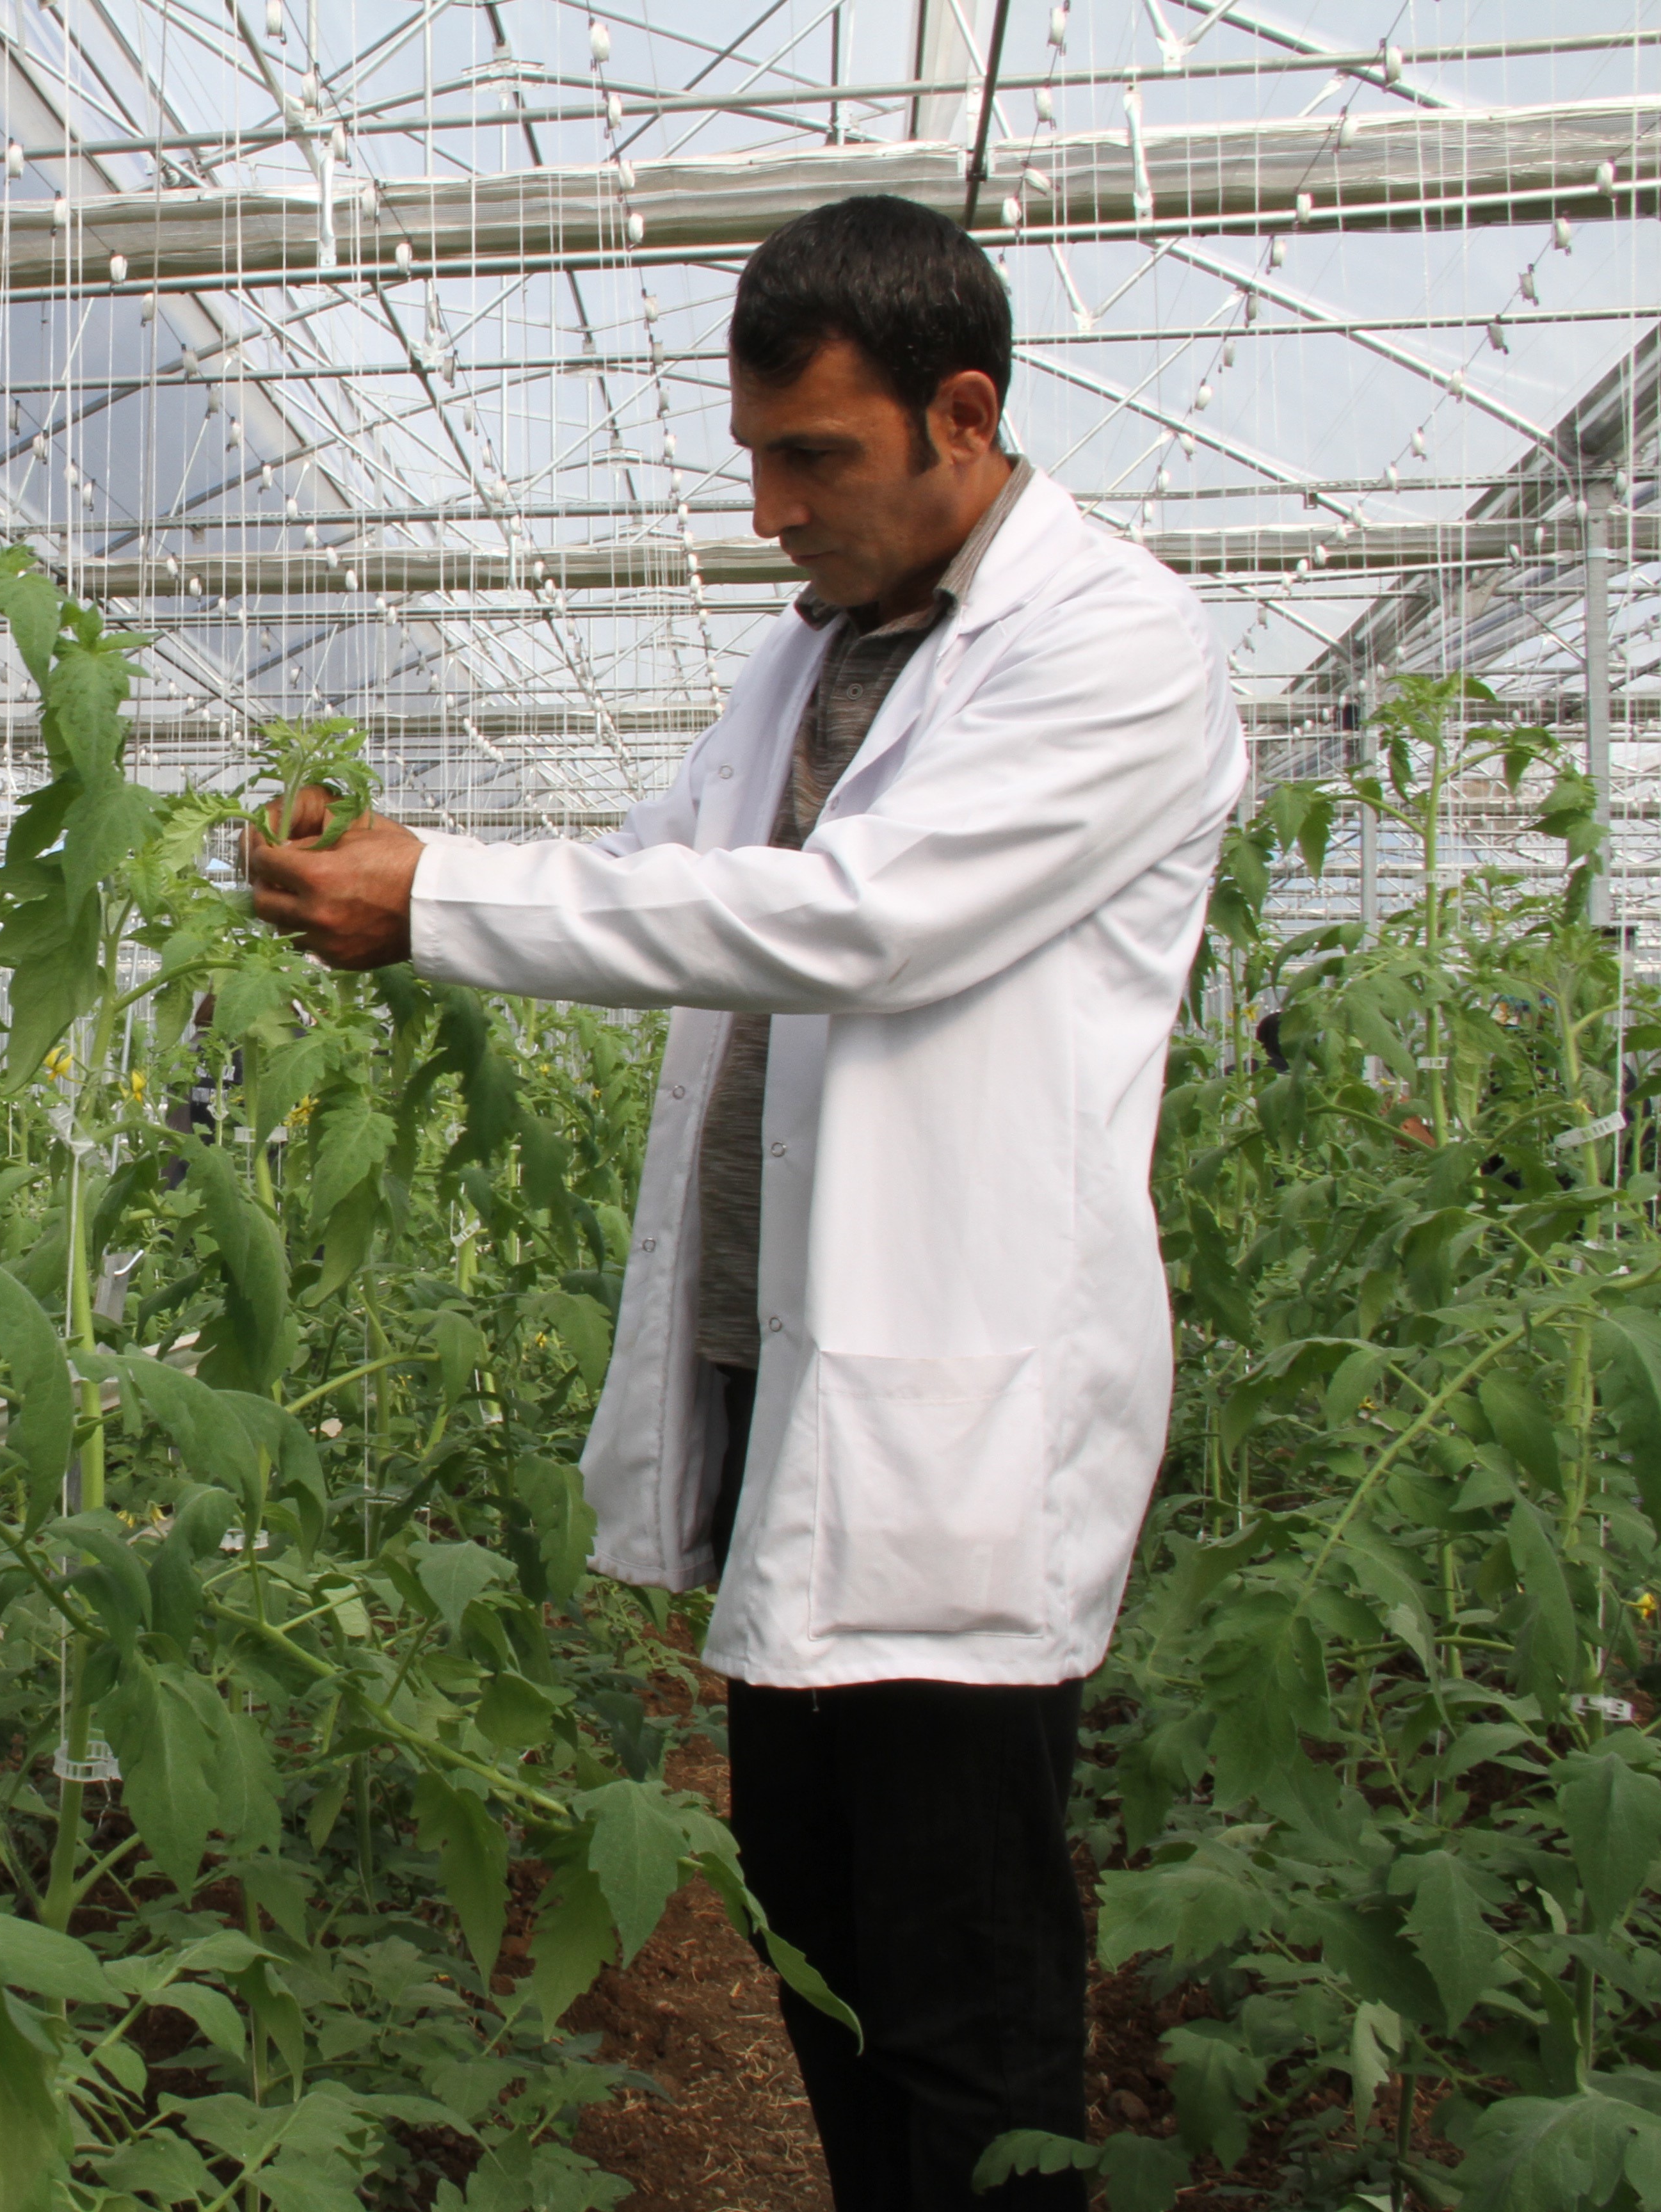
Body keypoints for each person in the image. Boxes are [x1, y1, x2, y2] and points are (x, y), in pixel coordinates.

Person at [246, 196, 1243, 2211]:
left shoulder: (1115, 646)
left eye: (817, 459)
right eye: (757, 458)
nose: (771, 511)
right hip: (794, 1396)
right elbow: (660, 867)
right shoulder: (814, 662)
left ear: (963, 414)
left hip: (955, 1436)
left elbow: (861, 924)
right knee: (829, 1976)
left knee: (974, 2030)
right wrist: (386, 884)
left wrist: (440, 899)